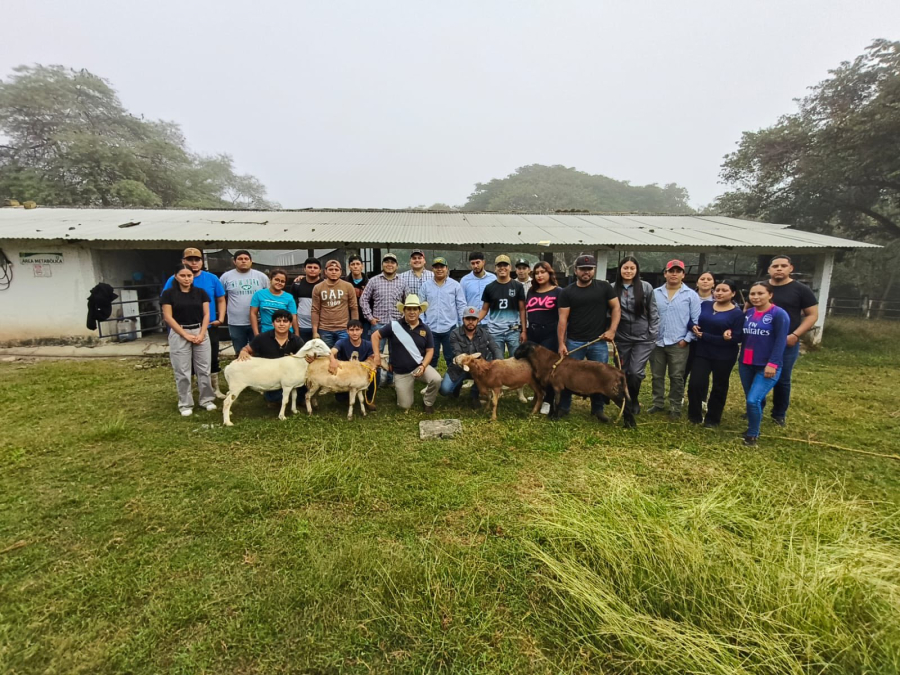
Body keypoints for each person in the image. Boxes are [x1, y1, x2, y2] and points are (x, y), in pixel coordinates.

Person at [556, 254, 621, 421]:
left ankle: (598, 410)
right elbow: (562, 319)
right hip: (574, 341)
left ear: (594, 270)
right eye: (583, 269)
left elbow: (616, 308)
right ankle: (564, 407)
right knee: (567, 375)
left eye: (590, 269)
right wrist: (561, 343)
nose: (586, 272)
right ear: (576, 270)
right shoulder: (567, 292)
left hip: (598, 341)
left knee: (600, 377)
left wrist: (612, 330)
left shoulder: (604, 287)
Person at [162, 247, 226, 398]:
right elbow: (167, 307)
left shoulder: (211, 279)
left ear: (202, 262)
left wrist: (221, 318)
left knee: (210, 358)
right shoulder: (172, 281)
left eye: (197, 259)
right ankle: (188, 393)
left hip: (207, 325)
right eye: (190, 259)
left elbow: (221, 299)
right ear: (183, 261)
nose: (194, 262)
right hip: (181, 327)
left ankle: (213, 389)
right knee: (185, 363)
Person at [765, 255, 819, 426]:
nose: (779, 269)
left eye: (783, 266)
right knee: (755, 375)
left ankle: (779, 414)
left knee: (782, 378)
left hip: (787, 341)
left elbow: (812, 315)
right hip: (762, 341)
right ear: (769, 269)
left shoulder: (800, 289)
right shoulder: (761, 287)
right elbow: (750, 309)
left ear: (791, 268)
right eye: (775, 266)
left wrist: (796, 335)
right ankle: (755, 407)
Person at [687, 279, 745, 427]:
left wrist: (708, 336)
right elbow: (691, 320)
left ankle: (713, 418)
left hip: (724, 355)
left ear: (733, 293)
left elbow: (737, 337)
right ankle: (694, 415)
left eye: (724, 290)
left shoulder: (737, 314)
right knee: (695, 383)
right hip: (702, 352)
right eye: (717, 290)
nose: (719, 293)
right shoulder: (705, 305)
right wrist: (693, 326)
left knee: (719, 386)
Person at [648, 260, 702, 419]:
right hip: (657, 342)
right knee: (657, 375)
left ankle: (675, 407)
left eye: (678, 271)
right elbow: (649, 315)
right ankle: (657, 403)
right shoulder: (655, 293)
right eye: (671, 271)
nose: (674, 274)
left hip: (679, 343)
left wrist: (687, 339)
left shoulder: (691, 295)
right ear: (665, 273)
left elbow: (696, 320)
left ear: (683, 275)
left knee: (676, 376)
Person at [160, 265, 216, 416]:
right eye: (183, 275)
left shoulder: (201, 293)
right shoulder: (168, 294)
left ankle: (207, 399)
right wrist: (184, 334)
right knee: (182, 370)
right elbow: (168, 317)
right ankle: (185, 403)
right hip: (179, 332)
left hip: (200, 331)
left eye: (189, 276)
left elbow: (206, 315)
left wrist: (202, 333)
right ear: (176, 277)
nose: (186, 279)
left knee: (204, 368)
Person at [739, 281, 790, 446]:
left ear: (770, 295)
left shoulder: (779, 314)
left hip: (766, 365)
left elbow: (781, 341)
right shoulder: (748, 313)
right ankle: (754, 425)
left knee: (753, 400)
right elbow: (744, 336)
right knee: (754, 398)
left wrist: (773, 364)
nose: (756, 297)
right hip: (746, 363)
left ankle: (753, 435)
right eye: (752, 294)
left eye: (760, 293)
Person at [372, 295, 442, 412]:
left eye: (415, 309)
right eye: (408, 309)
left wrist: (423, 366)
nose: (412, 312)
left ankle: (428, 402)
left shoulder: (425, 329)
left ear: (419, 311)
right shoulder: (394, 326)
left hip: (419, 367)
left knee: (437, 379)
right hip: (401, 371)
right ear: (404, 310)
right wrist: (377, 356)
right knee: (405, 406)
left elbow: (430, 351)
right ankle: (400, 391)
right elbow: (375, 336)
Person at [612, 256, 659, 414]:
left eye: (632, 268)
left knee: (635, 372)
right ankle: (626, 400)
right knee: (622, 371)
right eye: (625, 268)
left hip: (643, 338)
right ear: (620, 270)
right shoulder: (613, 288)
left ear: (637, 270)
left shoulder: (645, 287)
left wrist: (652, 333)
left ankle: (634, 398)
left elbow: (653, 312)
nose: (628, 271)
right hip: (622, 337)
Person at [236, 308, 307, 404]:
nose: (281, 324)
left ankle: (300, 398)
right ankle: (273, 396)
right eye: (278, 321)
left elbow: (304, 358)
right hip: (270, 377)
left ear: (290, 324)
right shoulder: (262, 338)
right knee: (275, 399)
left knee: (303, 383)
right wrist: (244, 351)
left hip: (290, 375)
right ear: (273, 324)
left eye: (285, 321)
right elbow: (247, 349)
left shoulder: (297, 340)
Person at [360, 253, 410, 385]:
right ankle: (373, 381)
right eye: (386, 262)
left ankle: (390, 380)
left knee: (395, 353)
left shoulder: (402, 281)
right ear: (382, 265)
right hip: (379, 323)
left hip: (397, 324)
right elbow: (363, 299)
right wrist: (370, 318)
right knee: (376, 353)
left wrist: (405, 319)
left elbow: (408, 301)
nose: (389, 264)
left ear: (397, 266)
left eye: (392, 262)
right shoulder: (374, 280)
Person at [440, 306, 504, 407]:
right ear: (463, 320)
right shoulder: (454, 334)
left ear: (478, 320)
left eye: (473, 319)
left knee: (487, 365)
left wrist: (500, 363)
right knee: (444, 390)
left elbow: (495, 348)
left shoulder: (484, 333)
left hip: (478, 369)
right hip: (460, 368)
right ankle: (457, 386)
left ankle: (474, 394)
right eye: (468, 319)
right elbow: (458, 353)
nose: (471, 322)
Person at [219, 250, 269, 356]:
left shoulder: (261, 277)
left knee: (258, 351)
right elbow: (221, 298)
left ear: (251, 261)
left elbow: (269, 296)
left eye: (246, 259)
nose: (243, 261)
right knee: (239, 351)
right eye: (240, 259)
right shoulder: (226, 277)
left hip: (258, 321)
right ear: (234, 261)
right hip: (236, 322)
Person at [419, 257, 466, 368]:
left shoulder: (455, 285)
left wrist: (461, 325)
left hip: (450, 328)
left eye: (442, 267)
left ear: (447, 269)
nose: (439, 269)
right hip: (431, 328)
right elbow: (420, 308)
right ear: (432, 269)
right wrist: (423, 324)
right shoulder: (425, 286)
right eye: (436, 267)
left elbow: (461, 306)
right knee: (432, 356)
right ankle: (432, 382)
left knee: (450, 356)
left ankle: (452, 382)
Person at [478, 255, 527, 356]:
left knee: (516, 361)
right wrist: (473, 321)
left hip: (513, 331)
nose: (502, 268)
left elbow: (522, 310)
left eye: (505, 265)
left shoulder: (518, 286)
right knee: (497, 363)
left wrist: (524, 330)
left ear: (510, 267)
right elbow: (484, 310)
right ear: (495, 268)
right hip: (495, 331)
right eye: (499, 265)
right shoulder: (489, 288)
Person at [330, 319, 377, 410]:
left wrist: (373, 367)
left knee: (374, 374)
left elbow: (373, 358)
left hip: (361, 373)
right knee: (340, 399)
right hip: (346, 374)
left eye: (357, 330)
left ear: (362, 331)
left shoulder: (368, 344)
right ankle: (346, 396)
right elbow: (332, 351)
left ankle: (369, 399)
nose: (354, 333)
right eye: (351, 330)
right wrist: (333, 360)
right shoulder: (342, 342)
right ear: (347, 331)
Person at [311, 260, 359, 347]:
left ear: (340, 272)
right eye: (331, 269)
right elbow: (315, 310)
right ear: (325, 271)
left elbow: (354, 308)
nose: (333, 272)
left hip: (343, 328)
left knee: (344, 357)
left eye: (336, 270)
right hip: (324, 329)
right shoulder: (318, 287)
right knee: (326, 357)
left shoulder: (348, 286)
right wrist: (315, 332)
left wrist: (354, 329)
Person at [525, 261, 561, 352]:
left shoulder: (558, 291)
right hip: (532, 333)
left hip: (550, 334)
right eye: (536, 273)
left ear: (549, 273)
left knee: (545, 363)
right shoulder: (531, 291)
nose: (539, 275)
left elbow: (563, 317)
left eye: (542, 272)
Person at [250, 269, 298, 335]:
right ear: (270, 279)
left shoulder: (289, 297)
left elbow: (293, 317)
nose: (279, 283)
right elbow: (253, 314)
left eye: (282, 281)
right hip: (266, 332)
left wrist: (297, 334)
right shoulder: (259, 294)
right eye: (277, 280)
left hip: (285, 333)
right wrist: (256, 334)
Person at [289, 257, 322, 342]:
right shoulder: (297, 284)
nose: (312, 270)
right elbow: (292, 306)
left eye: (315, 268)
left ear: (320, 270)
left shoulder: (324, 285)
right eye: (309, 267)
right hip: (301, 326)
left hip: (321, 327)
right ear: (304, 269)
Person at [344, 254, 369, 335]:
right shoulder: (344, 282)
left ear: (362, 266)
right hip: (348, 319)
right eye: (353, 264)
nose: (355, 266)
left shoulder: (369, 283)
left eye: (358, 264)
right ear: (349, 267)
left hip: (365, 320)